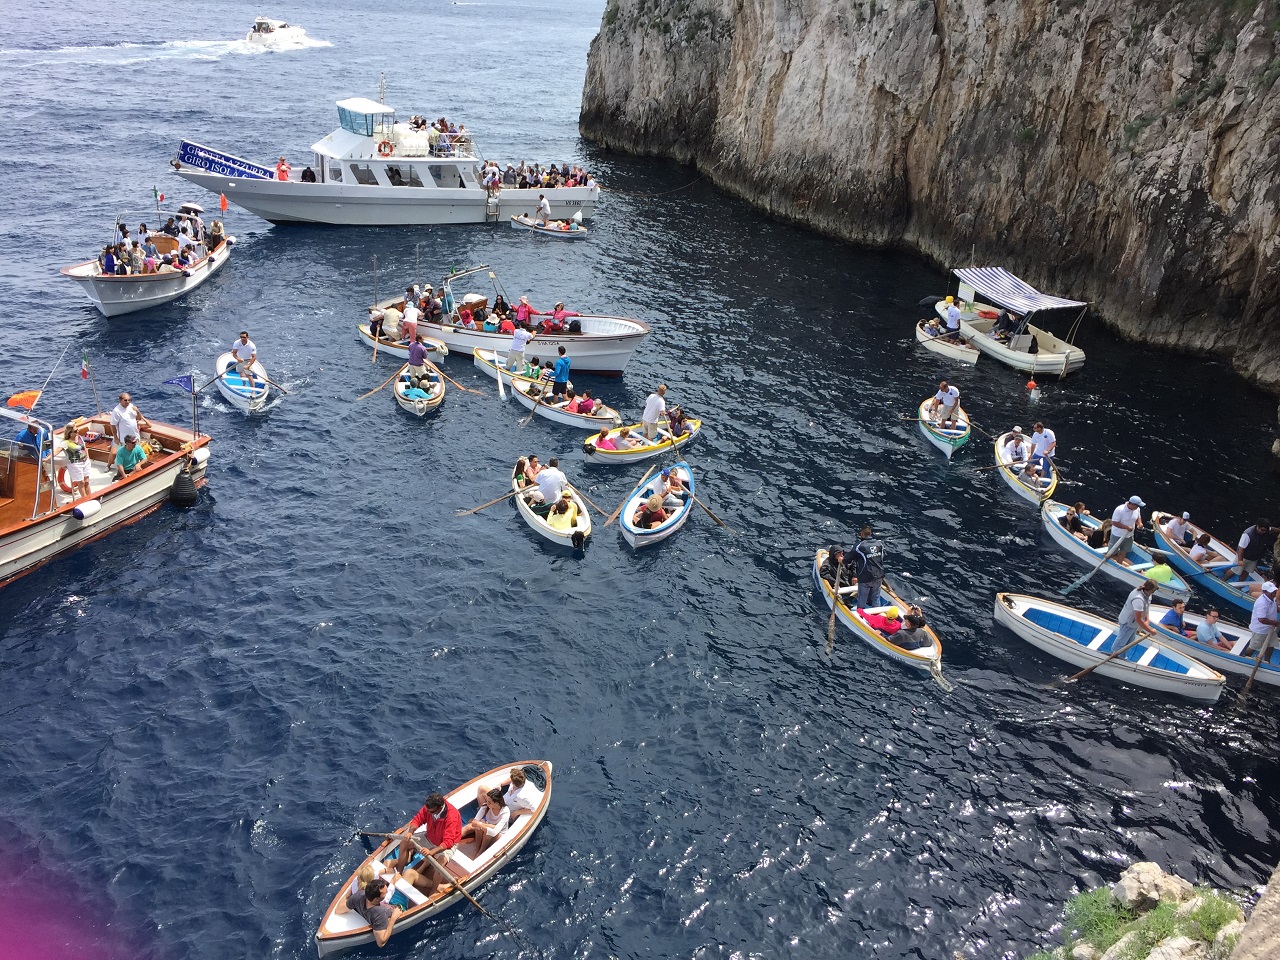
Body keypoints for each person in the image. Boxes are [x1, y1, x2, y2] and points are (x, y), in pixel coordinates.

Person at [392, 792, 462, 896]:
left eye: (432, 812)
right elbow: (417, 819)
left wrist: (431, 852)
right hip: (429, 836)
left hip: (445, 845)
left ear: (441, 807)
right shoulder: (429, 808)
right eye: (428, 811)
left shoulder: (452, 816)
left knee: (440, 864)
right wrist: (410, 832)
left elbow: (448, 842)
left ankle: (433, 891)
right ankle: (399, 874)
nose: (429, 813)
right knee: (405, 843)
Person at [333, 877, 402, 948]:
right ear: (376, 899)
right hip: (397, 909)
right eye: (385, 893)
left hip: (385, 907)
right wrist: (393, 919)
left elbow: (338, 910)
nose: (387, 892)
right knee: (408, 875)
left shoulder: (358, 895)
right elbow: (381, 943)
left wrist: (348, 894)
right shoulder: (380, 913)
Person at [459, 788, 509, 857]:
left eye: (489, 802)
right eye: (487, 801)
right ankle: (477, 846)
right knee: (479, 826)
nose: (487, 803)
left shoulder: (505, 812)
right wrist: (482, 824)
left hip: (499, 832)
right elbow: (474, 822)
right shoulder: (486, 806)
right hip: (488, 825)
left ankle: (481, 850)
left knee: (487, 832)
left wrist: (481, 824)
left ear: (496, 803)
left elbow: (495, 831)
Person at [1115, 579, 1160, 650]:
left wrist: (1147, 620)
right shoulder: (1138, 599)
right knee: (1120, 644)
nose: (1153, 593)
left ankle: (1122, 657)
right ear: (1149, 589)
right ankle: (1114, 655)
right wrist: (1151, 631)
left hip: (1134, 624)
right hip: (1128, 623)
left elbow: (1146, 607)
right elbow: (1138, 619)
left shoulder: (1148, 594)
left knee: (1129, 643)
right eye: (1153, 591)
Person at [851, 526, 885, 608]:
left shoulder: (859, 546)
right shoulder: (879, 544)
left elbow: (848, 558)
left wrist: (842, 560)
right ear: (871, 533)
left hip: (865, 578)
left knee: (862, 598)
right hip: (879, 576)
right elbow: (883, 557)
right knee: (876, 598)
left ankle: (860, 616)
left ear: (862, 534)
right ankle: (876, 615)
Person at [1233, 522, 1275, 586]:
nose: (1263, 532)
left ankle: (1239, 586)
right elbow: (1241, 548)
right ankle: (1224, 580)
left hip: (1253, 558)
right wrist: (1240, 560)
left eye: (1265, 530)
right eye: (1262, 530)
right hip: (1244, 556)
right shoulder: (1248, 534)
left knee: (1246, 571)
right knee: (1235, 570)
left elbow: (1272, 529)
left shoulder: (1265, 530)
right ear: (1258, 527)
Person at [1245, 582, 1279, 656]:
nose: (1273, 593)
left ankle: (1267, 661)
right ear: (1264, 592)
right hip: (1260, 630)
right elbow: (1261, 619)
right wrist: (1274, 623)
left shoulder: (1272, 598)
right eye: (1271, 592)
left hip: (1270, 628)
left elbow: (1276, 608)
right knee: (1253, 647)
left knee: (1271, 645)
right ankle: (1245, 658)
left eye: (1274, 591)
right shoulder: (1262, 603)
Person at [61, 424, 92, 499]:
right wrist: (46, 458)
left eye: (77, 429)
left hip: (85, 462)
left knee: (87, 481)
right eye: (75, 431)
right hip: (75, 464)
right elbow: (57, 451)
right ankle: (85, 499)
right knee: (81, 483)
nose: (78, 431)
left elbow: (85, 448)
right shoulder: (65, 442)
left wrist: (88, 457)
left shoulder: (80, 438)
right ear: (70, 433)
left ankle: (90, 497)